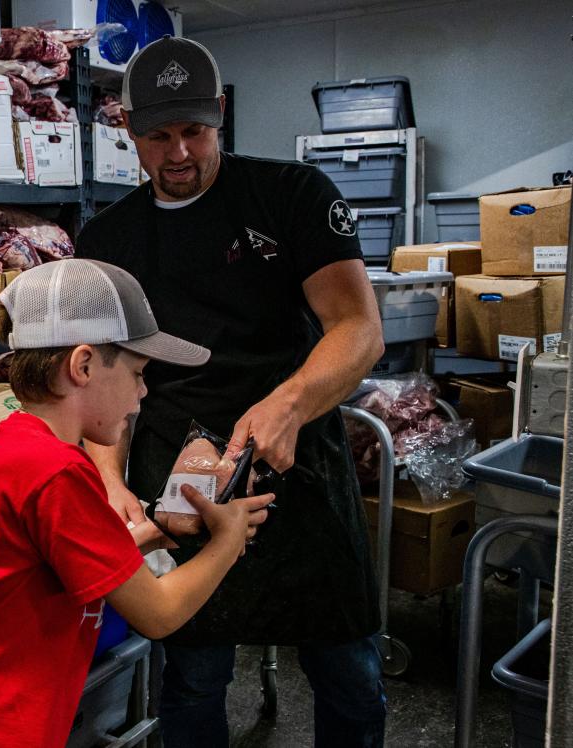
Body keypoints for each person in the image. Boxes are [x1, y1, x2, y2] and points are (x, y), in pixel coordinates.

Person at [76, 35, 388, 748]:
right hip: (176, 468)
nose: (178, 153)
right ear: (127, 131)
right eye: (158, 136)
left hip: (294, 453)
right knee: (191, 674)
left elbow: (356, 328)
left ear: (219, 114)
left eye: (194, 131)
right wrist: (108, 479)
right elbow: (107, 378)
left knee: (346, 667)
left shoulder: (290, 196)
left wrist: (286, 403)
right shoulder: (108, 237)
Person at [0, 259, 273, 748]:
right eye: (138, 373)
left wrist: (160, 531)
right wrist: (224, 541)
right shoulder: (60, 473)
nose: (142, 394)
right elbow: (157, 613)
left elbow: (67, 560)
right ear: (82, 366)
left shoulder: (19, 444)